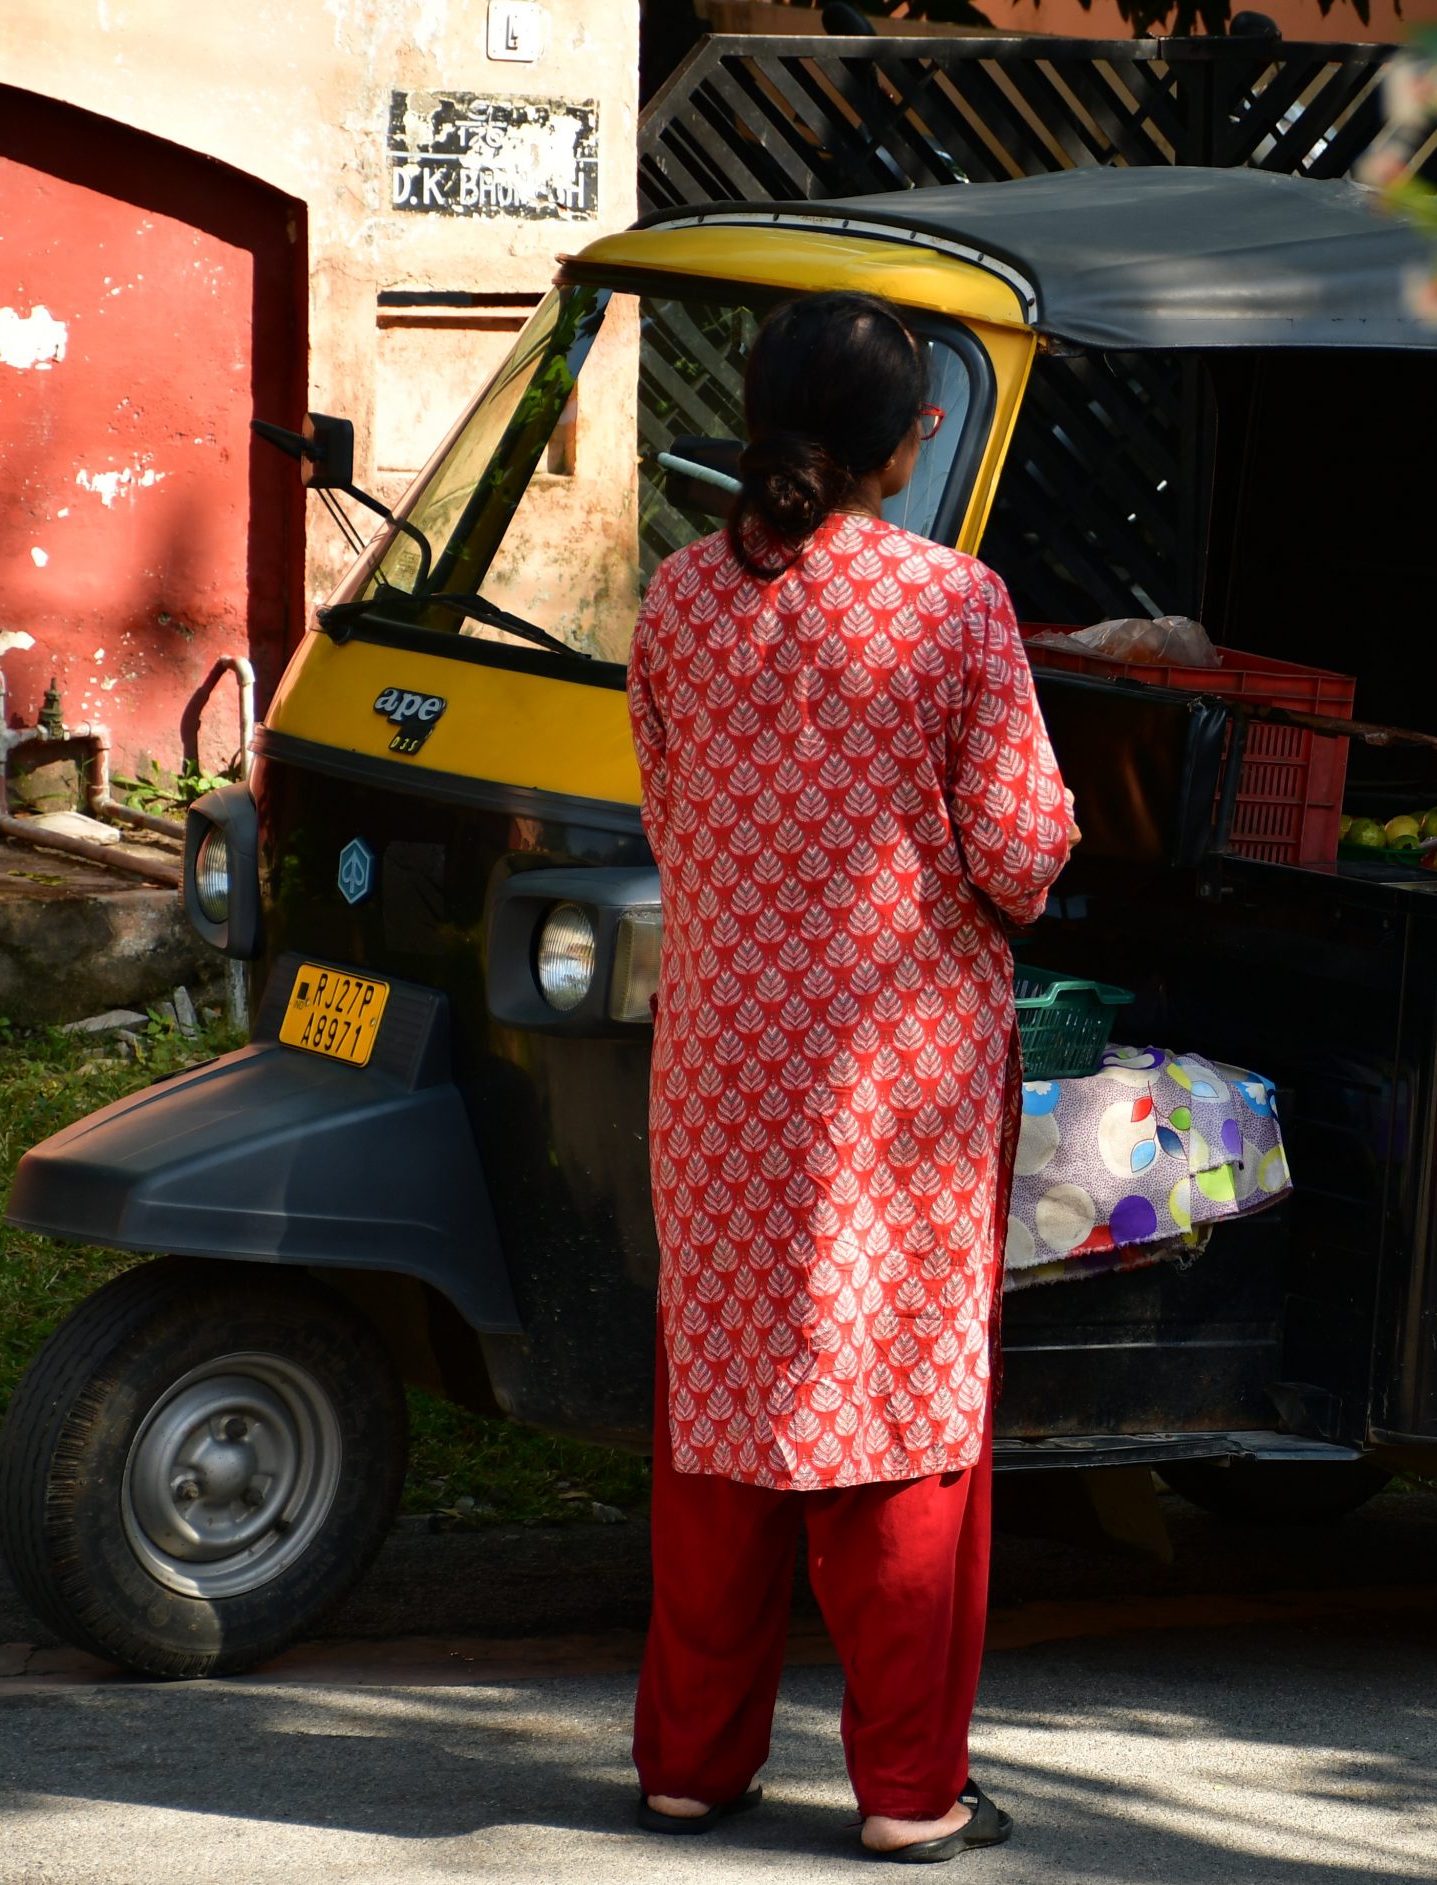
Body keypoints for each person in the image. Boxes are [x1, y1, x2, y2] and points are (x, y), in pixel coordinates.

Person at [625, 290, 1077, 1857]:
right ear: (913, 439)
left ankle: (688, 1764)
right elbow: (1023, 854)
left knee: (727, 1412)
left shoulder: (676, 602)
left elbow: (679, 836)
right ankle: (907, 1794)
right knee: (900, 1428)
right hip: (899, 1090)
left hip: (719, 1075)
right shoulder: (956, 606)